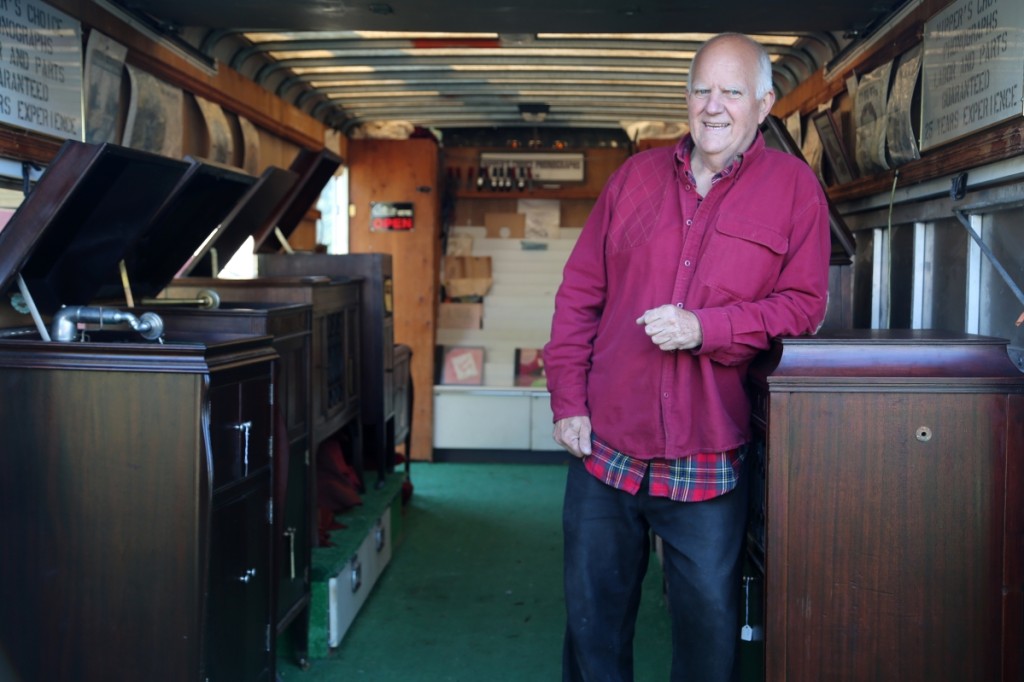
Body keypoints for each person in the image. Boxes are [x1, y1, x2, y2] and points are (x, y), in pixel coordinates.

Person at [543, 33, 832, 682]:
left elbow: (803, 307)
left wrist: (709, 327)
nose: (714, 106)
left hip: (705, 456)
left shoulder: (794, 189)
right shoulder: (634, 179)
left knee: (707, 643)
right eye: (702, 89)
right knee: (592, 630)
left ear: (763, 104)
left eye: (732, 92)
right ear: (686, 98)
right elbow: (578, 297)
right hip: (603, 449)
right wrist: (567, 401)